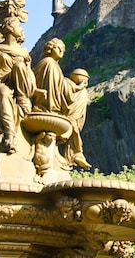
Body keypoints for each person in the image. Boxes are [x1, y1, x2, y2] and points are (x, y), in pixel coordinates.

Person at [32, 38, 91, 169]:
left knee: (83, 94)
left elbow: (61, 85)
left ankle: (75, 151)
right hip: (47, 106)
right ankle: (75, 151)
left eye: (63, 49)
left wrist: (79, 87)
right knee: (81, 95)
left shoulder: (52, 65)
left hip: (51, 104)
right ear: (50, 48)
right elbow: (55, 88)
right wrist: (79, 87)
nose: (61, 51)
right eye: (58, 48)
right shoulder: (49, 64)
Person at [0, 17, 36, 154]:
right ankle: (9, 136)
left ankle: (22, 98)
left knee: (19, 66)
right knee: (3, 94)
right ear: (10, 28)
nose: (22, 28)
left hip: (20, 85)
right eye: (18, 25)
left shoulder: (23, 52)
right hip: (2, 82)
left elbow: (29, 72)